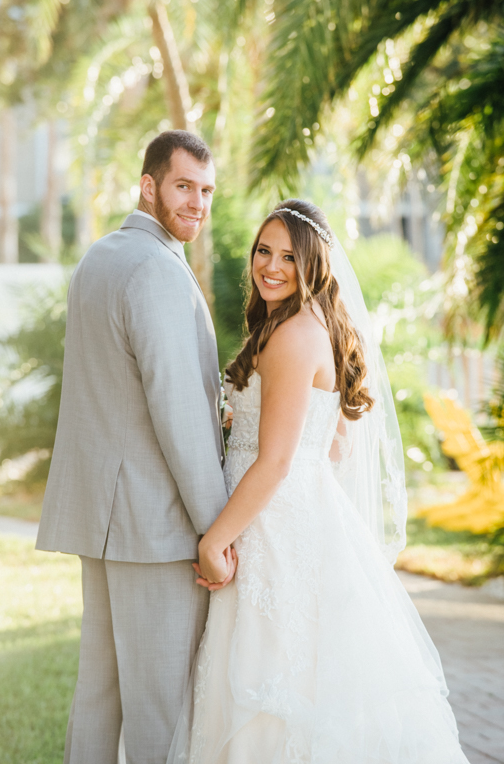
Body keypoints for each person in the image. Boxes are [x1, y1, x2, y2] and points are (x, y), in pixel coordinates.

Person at [168, 199, 470, 763]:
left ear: (315, 266)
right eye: (264, 251)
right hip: (297, 521)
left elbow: (277, 462)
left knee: (271, 691)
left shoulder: (291, 336)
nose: (272, 266)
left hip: (274, 533)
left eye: (289, 256)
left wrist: (214, 540)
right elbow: (331, 444)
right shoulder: (313, 326)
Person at [36, 130, 236, 764]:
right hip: (153, 529)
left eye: (206, 190)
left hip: (102, 523)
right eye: (183, 186)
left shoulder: (99, 256)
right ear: (148, 185)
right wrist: (216, 531)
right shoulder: (157, 270)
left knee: (98, 697)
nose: (197, 203)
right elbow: (179, 416)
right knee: (160, 713)